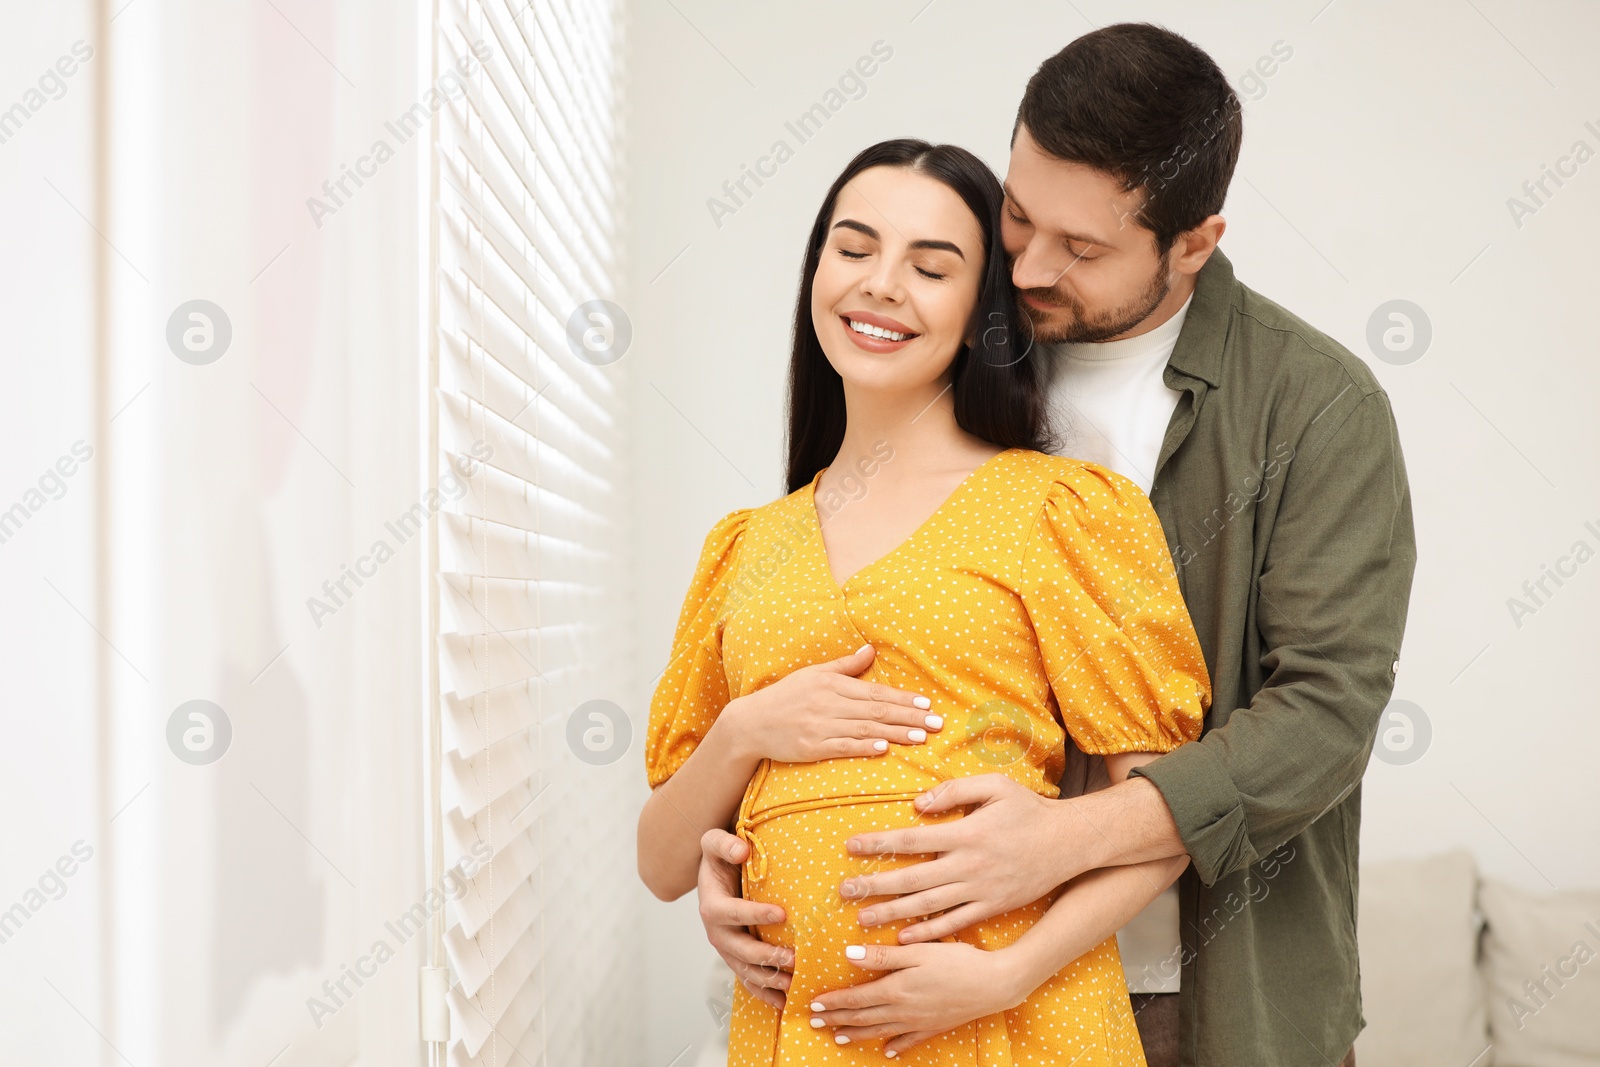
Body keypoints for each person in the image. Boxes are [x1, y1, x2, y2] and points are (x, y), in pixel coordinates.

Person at [694, 23, 1417, 1067]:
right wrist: (742, 847)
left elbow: (1325, 713)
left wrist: (1059, 841)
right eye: (1018, 214)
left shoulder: (1313, 405)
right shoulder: (949, 341)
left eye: (1079, 248)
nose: (1028, 264)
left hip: (1200, 994)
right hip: (942, 992)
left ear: (1193, 243)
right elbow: (838, 611)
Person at [638, 138, 1213, 1064]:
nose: (881, 284)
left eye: (931, 265)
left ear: (983, 311)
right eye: (853, 248)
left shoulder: (1057, 511)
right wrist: (744, 731)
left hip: (1014, 1027)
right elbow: (664, 861)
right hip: (801, 1039)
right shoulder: (746, 545)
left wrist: (1007, 973)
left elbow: (1163, 821)